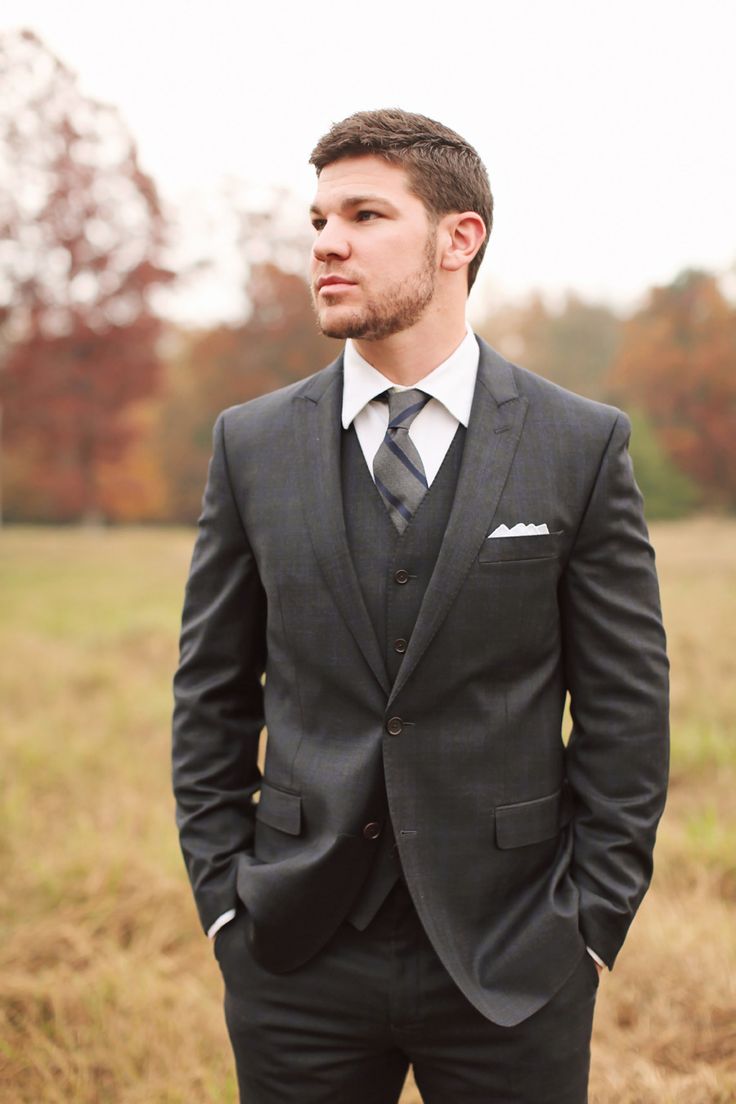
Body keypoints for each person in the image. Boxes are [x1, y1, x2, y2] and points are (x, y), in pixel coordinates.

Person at [172, 108, 669, 1104]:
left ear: (458, 238)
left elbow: (626, 711)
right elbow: (210, 698)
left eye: (362, 214)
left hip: (515, 954)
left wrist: (588, 924)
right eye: (316, 221)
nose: (326, 244)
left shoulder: (579, 446)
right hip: (295, 956)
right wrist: (228, 909)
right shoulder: (252, 444)